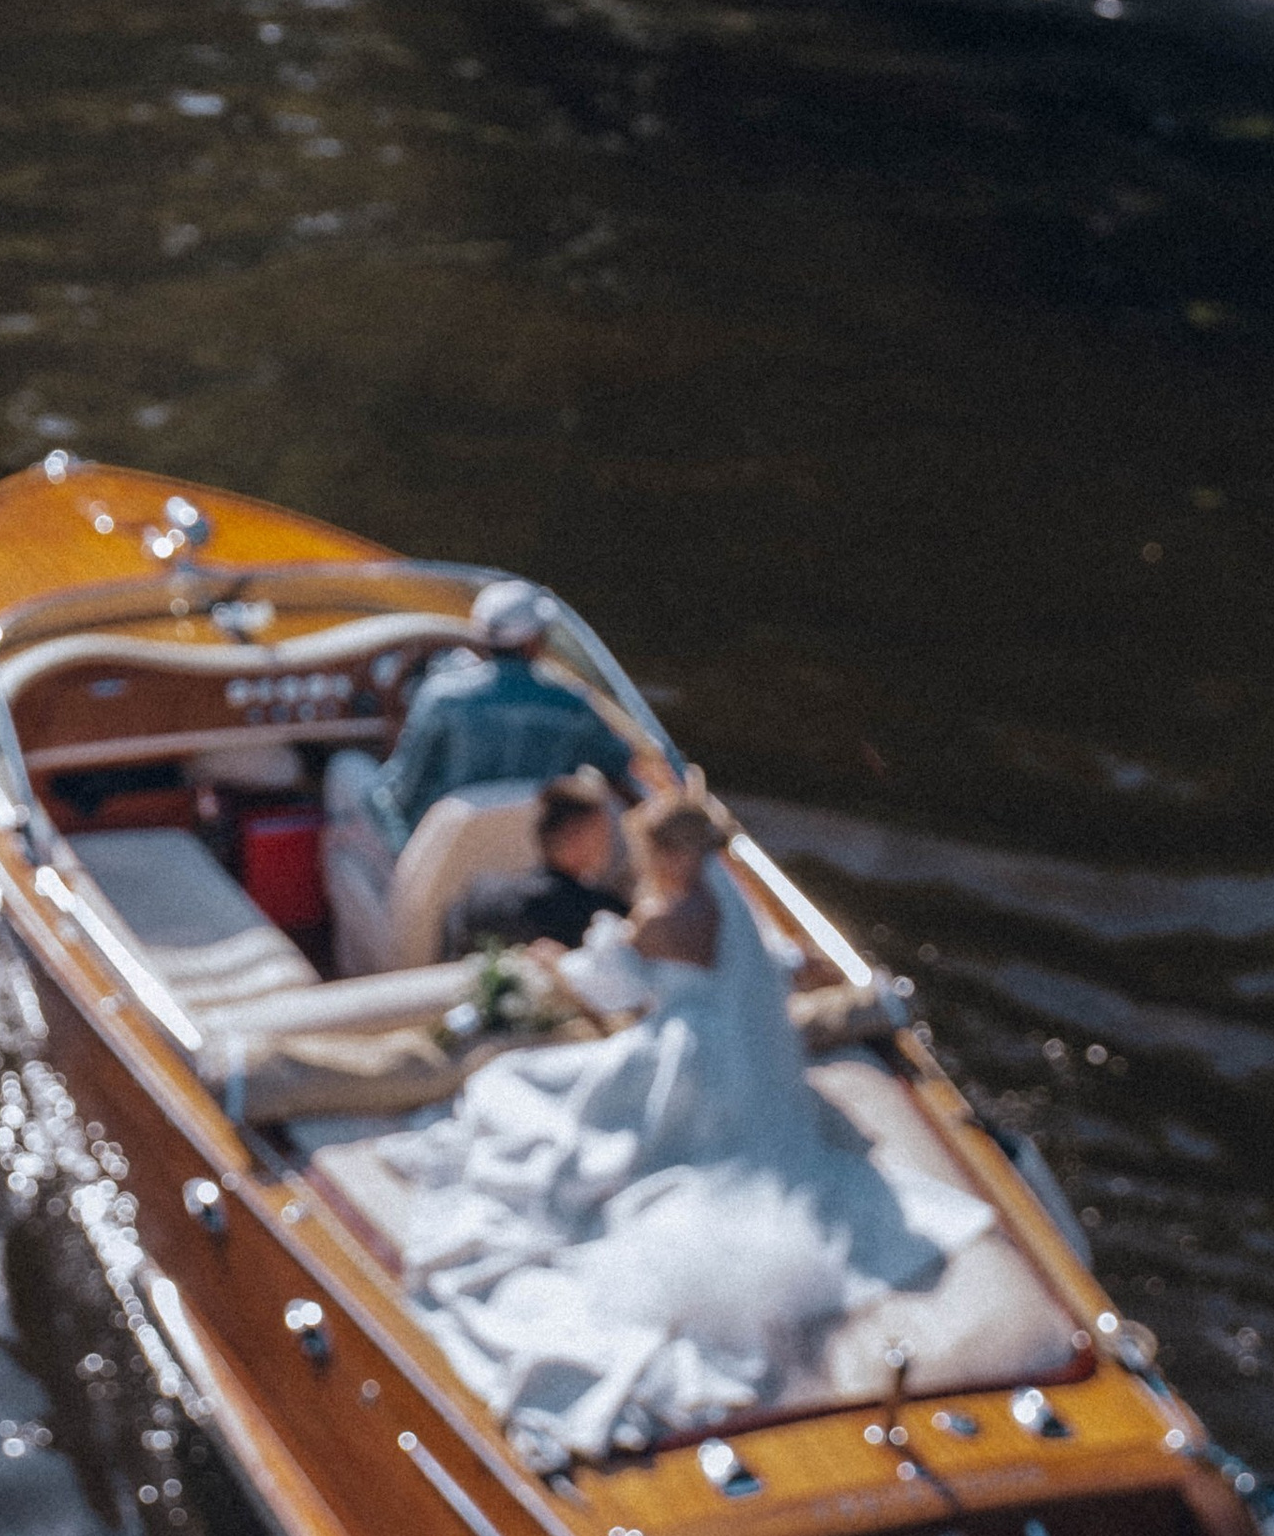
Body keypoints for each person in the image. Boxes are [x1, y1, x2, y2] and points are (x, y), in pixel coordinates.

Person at [389, 779, 994, 1462]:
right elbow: (774, 966)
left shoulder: (662, 921)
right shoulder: (730, 902)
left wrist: (553, 962)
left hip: (686, 1067)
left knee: (510, 1085)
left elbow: (604, 984)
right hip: (755, 1072)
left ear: (668, 856)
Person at [337, 578, 638, 859]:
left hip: (445, 863)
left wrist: (401, 849)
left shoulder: (441, 698)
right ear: (534, 642)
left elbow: (399, 793)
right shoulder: (573, 706)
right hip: (533, 857)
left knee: (345, 769)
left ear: (480, 637)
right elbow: (620, 766)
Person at [441, 770, 630, 961]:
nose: (610, 842)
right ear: (576, 837)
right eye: (601, 833)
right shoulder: (598, 915)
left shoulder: (478, 896)